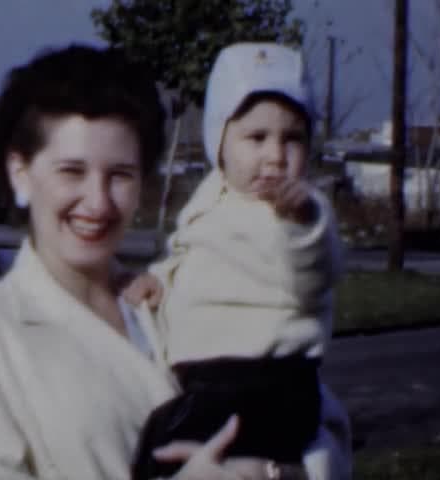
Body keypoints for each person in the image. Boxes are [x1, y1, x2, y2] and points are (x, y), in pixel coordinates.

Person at [0, 43, 290, 480]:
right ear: (20, 172)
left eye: (120, 176)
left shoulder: (173, 298)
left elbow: (323, 425)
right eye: (71, 172)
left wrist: (269, 471)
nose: (97, 202)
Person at [125, 42, 353, 480]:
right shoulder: (214, 200)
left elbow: (317, 272)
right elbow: (192, 254)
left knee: (162, 448)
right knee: (161, 439)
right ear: (220, 145)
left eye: (293, 139)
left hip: (270, 381)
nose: (275, 156)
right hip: (218, 381)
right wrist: (160, 281)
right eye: (256, 137)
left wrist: (303, 222)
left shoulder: (297, 214)